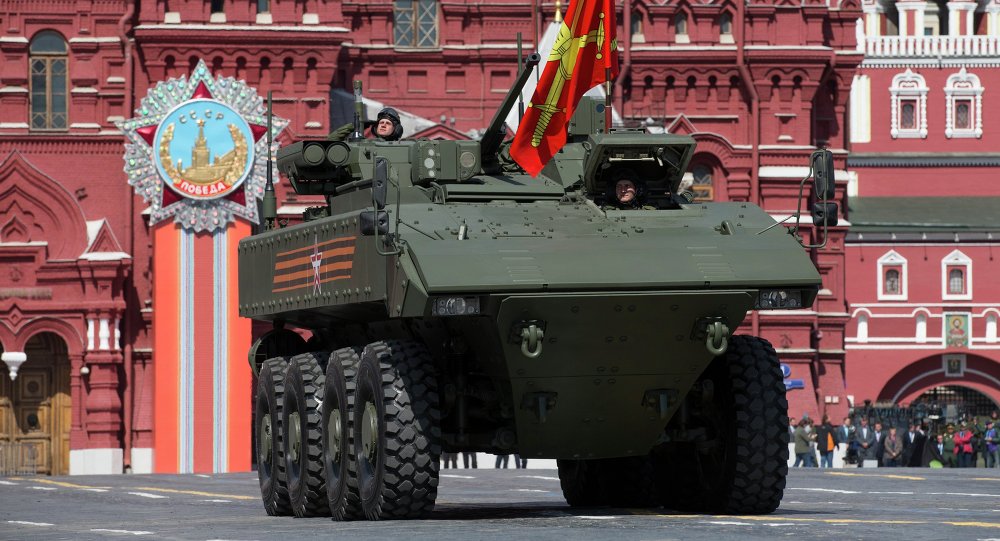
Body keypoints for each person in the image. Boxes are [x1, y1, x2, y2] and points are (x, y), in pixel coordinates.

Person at [326, 106, 405, 142]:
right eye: (381, 122)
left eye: (388, 123)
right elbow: (332, 140)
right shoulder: (365, 144)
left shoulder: (402, 147)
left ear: (396, 129)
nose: (383, 125)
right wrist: (354, 126)